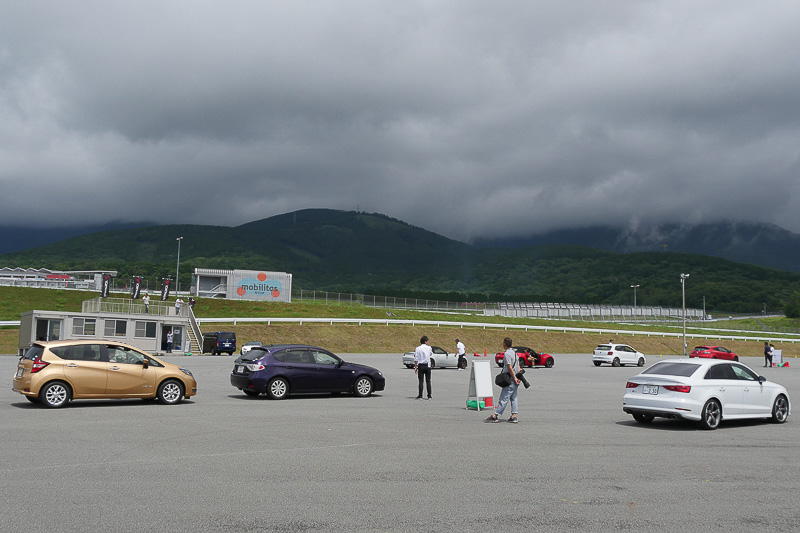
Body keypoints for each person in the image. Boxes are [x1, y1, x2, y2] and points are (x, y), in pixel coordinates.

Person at [485, 337, 520, 423]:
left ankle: (496, 415)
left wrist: (514, 378)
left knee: (504, 398)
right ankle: (514, 415)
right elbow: (518, 366)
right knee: (514, 398)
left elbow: (509, 367)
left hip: (510, 379)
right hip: (515, 378)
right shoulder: (515, 354)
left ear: (504, 344)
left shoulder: (507, 354)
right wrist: (518, 377)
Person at [414, 335, 433, 399]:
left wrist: (415, 367)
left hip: (421, 365)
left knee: (421, 381)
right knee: (428, 381)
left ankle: (420, 395)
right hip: (427, 365)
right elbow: (431, 354)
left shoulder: (418, 348)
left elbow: (416, 358)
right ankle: (429, 395)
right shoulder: (429, 348)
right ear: (425, 341)